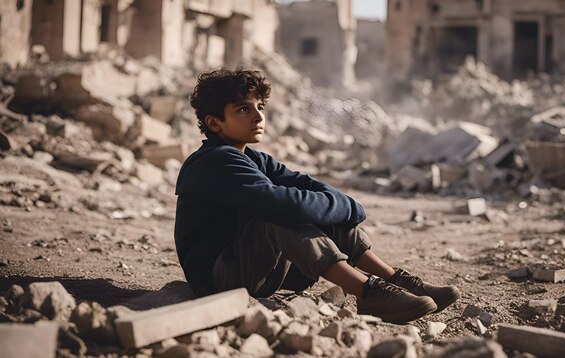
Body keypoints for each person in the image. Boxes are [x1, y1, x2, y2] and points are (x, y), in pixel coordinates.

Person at [174, 67, 460, 324]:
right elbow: (283, 205)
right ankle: (367, 292)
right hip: (218, 279)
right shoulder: (215, 161)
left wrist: (346, 208)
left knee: (315, 208)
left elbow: (310, 186)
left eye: (260, 106)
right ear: (215, 124)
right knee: (281, 213)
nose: (259, 116)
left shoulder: (254, 158)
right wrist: (345, 207)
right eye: (243, 110)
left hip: (253, 267)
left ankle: (394, 280)